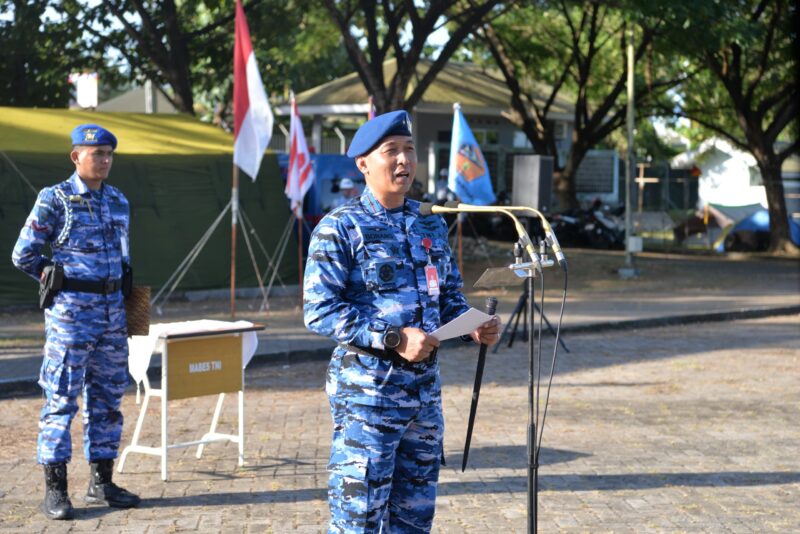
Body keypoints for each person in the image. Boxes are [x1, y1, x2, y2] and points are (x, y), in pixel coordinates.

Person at [304, 110, 500, 533]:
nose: (403, 161)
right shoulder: (340, 228)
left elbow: (447, 298)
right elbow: (319, 310)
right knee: (359, 519)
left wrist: (472, 326)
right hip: (368, 398)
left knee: (414, 518)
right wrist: (393, 338)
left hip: (423, 398)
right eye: (391, 151)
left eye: (409, 150)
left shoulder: (429, 222)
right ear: (362, 164)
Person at [12, 124, 140, 520]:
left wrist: (135, 314)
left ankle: (102, 482)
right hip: (71, 316)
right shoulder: (56, 199)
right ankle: (56, 491)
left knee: (109, 400)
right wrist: (55, 281)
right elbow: (24, 254)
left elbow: (123, 260)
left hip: (113, 314)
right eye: (96, 153)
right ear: (76, 156)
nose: (103, 160)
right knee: (61, 400)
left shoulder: (118, 200)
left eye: (108, 154)